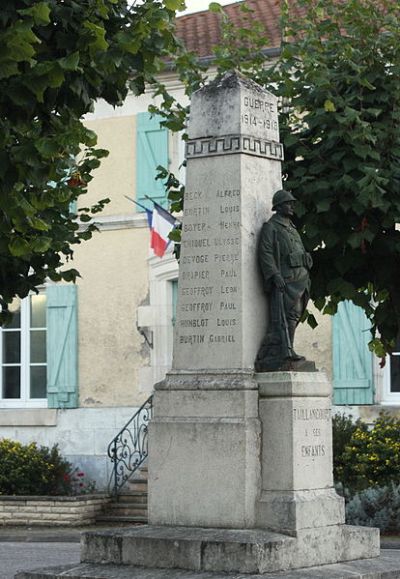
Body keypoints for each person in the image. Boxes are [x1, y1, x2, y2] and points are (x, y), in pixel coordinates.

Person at [255, 189, 312, 371]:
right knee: (287, 314)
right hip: (286, 278)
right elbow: (265, 253)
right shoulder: (271, 227)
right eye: (288, 203)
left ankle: (289, 349)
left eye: (292, 203)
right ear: (278, 207)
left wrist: (306, 258)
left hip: (300, 277)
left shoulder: (291, 227)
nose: (292, 206)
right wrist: (274, 275)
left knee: (295, 313)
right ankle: (284, 350)